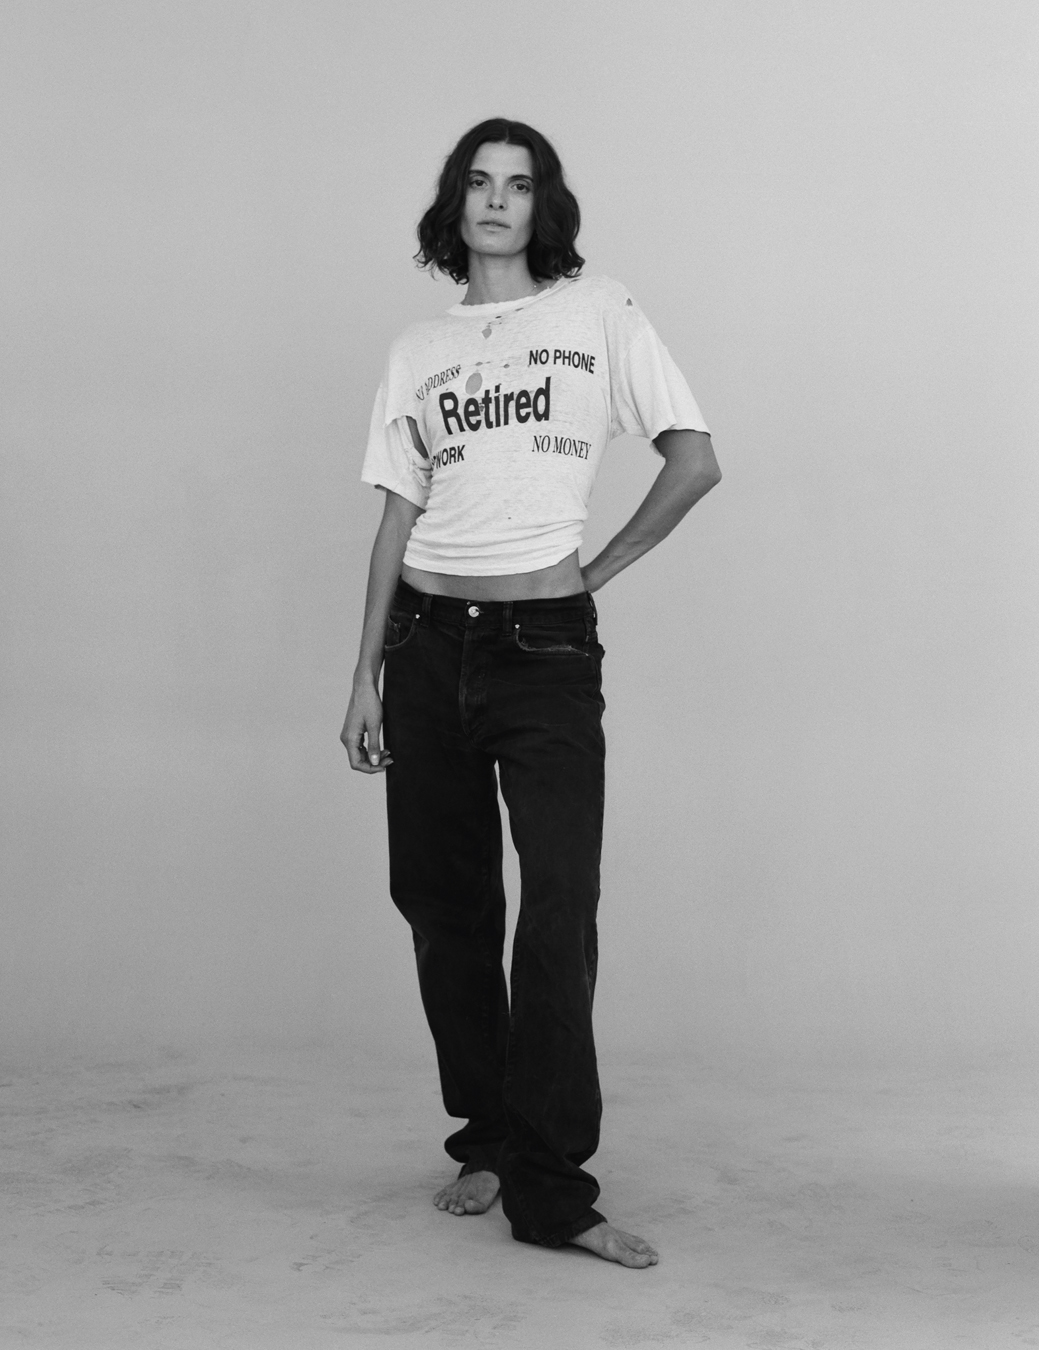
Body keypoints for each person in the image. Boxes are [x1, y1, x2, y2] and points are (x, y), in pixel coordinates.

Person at [341, 118, 720, 1268]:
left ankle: (553, 1192)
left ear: (540, 203)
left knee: (557, 906)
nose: (496, 200)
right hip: (421, 643)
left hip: (540, 648)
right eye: (478, 182)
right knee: (444, 907)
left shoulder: (597, 310)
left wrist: (590, 573)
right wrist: (360, 669)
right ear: (454, 205)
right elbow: (396, 516)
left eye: (518, 184)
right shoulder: (418, 348)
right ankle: (488, 1139)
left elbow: (693, 456)